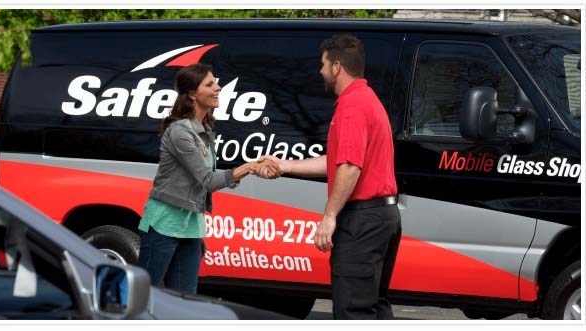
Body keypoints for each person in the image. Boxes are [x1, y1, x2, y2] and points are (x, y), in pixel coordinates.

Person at [259, 34, 402, 319]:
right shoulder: (367, 99)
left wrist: (329, 216)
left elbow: (349, 167)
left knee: (353, 312)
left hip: (361, 222)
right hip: (381, 219)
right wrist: (286, 165)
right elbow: (338, 161)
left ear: (337, 67)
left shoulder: (352, 107)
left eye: (323, 64)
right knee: (374, 307)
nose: (320, 71)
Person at [138, 63, 281, 294]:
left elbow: (204, 182)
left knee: (185, 300)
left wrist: (197, 231)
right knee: (143, 296)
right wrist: (250, 167)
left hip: (190, 226)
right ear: (192, 94)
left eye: (216, 82)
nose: (218, 87)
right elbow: (207, 180)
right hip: (164, 223)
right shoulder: (180, 131)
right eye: (210, 84)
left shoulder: (203, 128)